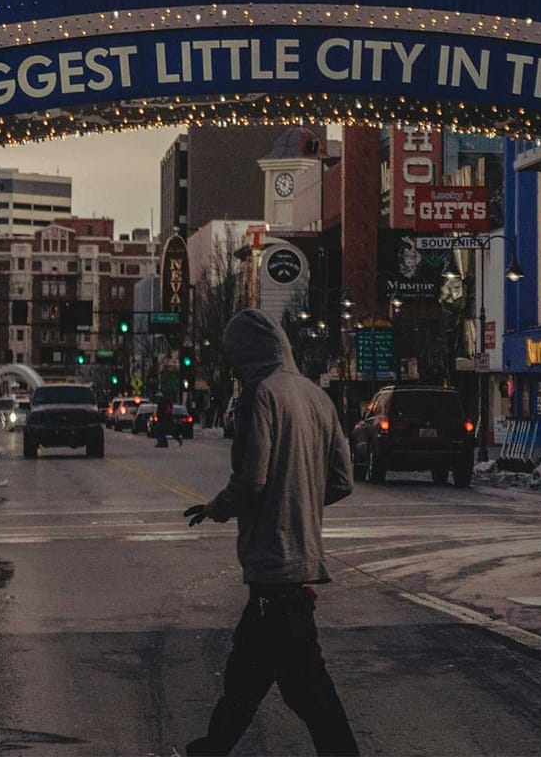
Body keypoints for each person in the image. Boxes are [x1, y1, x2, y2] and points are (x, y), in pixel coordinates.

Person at [184, 309, 358, 756]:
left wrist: (215, 508)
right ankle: (211, 747)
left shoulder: (260, 396)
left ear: (247, 351)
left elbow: (252, 480)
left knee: (305, 687)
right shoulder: (318, 396)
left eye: (234, 355)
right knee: (250, 674)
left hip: (273, 563)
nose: (233, 366)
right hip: (300, 561)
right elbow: (342, 480)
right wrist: (299, 502)